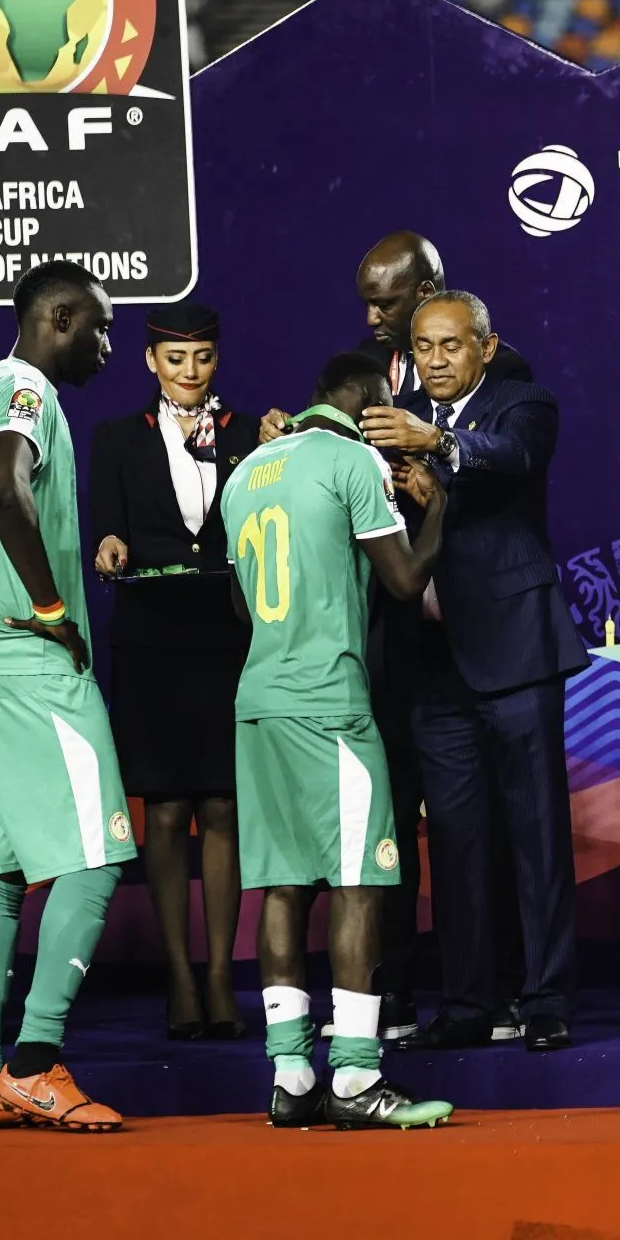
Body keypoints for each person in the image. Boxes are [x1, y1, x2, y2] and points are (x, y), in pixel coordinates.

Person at [259, 232, 535, 1043]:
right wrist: (302, 435)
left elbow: (503, 465)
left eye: (391, 301)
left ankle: (492, 992)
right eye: (369, 303)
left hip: (471, 638)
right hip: (382, 639)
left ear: (434, 288)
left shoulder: (503, 373)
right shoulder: (363, 375)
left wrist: (432, 454)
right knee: (381, 830)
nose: (375, 316)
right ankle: (391, 997)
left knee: (472, 828)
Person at [222, 352, 453, 1128]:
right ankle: (355, 1077)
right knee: (359, 881)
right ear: (368, 402)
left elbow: (239, 598)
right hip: (331, 704)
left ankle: (290, 1077)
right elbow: (404, 580)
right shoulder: (352, 459)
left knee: (283, 885)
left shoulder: (246, 469)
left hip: (260, 699)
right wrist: (441, 506)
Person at [0, 259, 134, 1133]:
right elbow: (4, 485)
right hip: (29, 661)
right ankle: (37, 1061)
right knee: (97, 852)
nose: (108, 344)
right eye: (100, 326)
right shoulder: (21, 390)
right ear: (57, 317)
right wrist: (47, 610)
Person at [358, 291, 586, 1052]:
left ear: (485, 348)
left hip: (516, 653)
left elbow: (509, 456)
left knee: (537, 834)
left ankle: (546, 998)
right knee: (453, 842)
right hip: (433, 665)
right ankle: (464, 1003)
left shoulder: (527, 403)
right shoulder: (391, 422)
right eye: (424, 347)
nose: (435, 359)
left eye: (452, 346)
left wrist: (438, 448)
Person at [91, 304, 256, 1040]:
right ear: (151, 362)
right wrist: (109, 543)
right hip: (153, 638)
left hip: (225, 636)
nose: (191, 372)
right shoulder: (118, 439)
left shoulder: (252, 435)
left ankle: (222, 972)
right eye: (177, 358)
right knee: (162, 810)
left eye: (204, 358)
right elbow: (107, 526)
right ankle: (179, 976)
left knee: (222, 806)